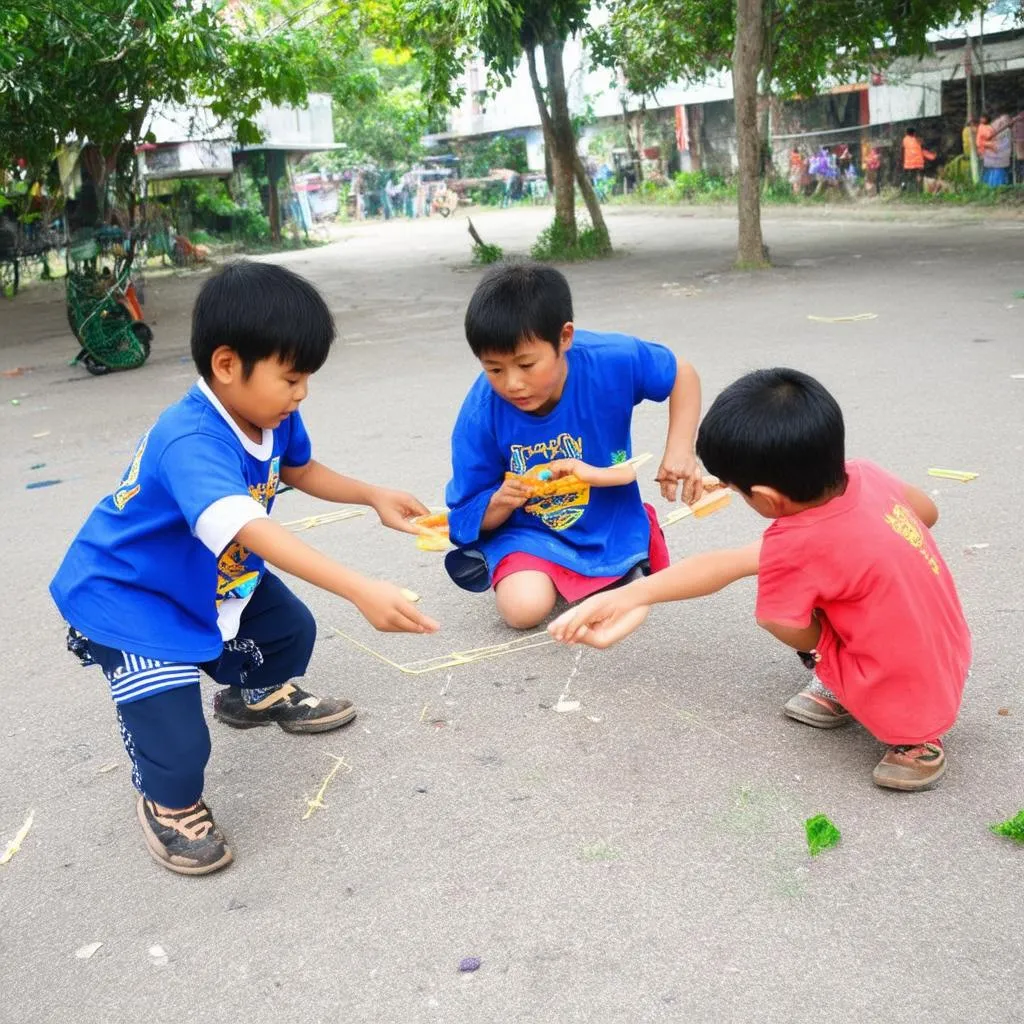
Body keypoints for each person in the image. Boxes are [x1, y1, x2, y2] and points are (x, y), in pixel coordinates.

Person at [50, 262, 440, 875]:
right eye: (292, 377)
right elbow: (246, 526)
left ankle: (252, 695)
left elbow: (297, 469)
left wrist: (373, 495)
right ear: (228, 365)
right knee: (179, 753)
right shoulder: (191, 438)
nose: (302, 392)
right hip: (131, 599)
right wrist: (358, 586)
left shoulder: (268, 412)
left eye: (306, 377)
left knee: (289, 632)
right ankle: (167, 803)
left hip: (209, 578)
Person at [549, 368, 971, 792]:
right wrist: (635, 595)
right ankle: (855, 682)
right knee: (838, 593)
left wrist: (824, 647)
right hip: (946, 640)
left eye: (739, 491)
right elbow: (927, 514)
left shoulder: (796, 545)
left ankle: (914, 740)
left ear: (767, 498)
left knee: (811, 619)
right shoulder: (863, 475)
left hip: (914, 678)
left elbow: (778, 621)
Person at [443, 259, 703, 631]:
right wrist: (499, 502)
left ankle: (634, 532)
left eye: (526, 364)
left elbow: (681, 373)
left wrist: (680, 450)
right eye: (494, 369)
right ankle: (567, 567)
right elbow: (465, 509)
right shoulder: (481, 411)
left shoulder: (610, 359)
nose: (512, 383)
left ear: (564, 338)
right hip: (529, 530)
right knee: (523, 609)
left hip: (606, 514)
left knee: (617, 591)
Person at [981, 112, 1012, 187]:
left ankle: (990, 186)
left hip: (993, 158)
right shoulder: (1005, 131)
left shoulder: (993, 128)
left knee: (993, 171)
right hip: (997, 159)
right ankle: (996, 186)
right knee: (997, 172)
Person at [901, 127, 935, 193]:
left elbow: (903, 148)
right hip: (918, 163)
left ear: (906, 133)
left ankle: (903, 186)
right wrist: (932, 156)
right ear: (914, 133)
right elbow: (923, 150)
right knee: (918, 176)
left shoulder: (904, 140)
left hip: (908, 164)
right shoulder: (918, 140)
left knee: (905, 176)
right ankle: (919, 190)